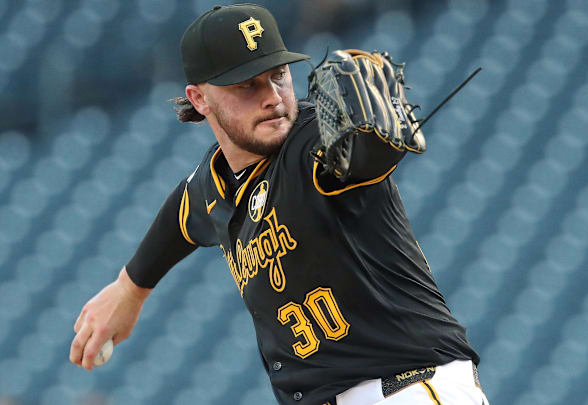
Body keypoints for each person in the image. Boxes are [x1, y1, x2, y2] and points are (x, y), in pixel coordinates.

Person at [69, 4, 488, 404]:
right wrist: (129, 289)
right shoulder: (212, 186)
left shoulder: (312, 146)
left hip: (406, 388)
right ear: (199, 99)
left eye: (278, 75)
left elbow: (355, 160)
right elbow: (182, 216)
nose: (271, 96)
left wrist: (371, 148)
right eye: (246, 84)